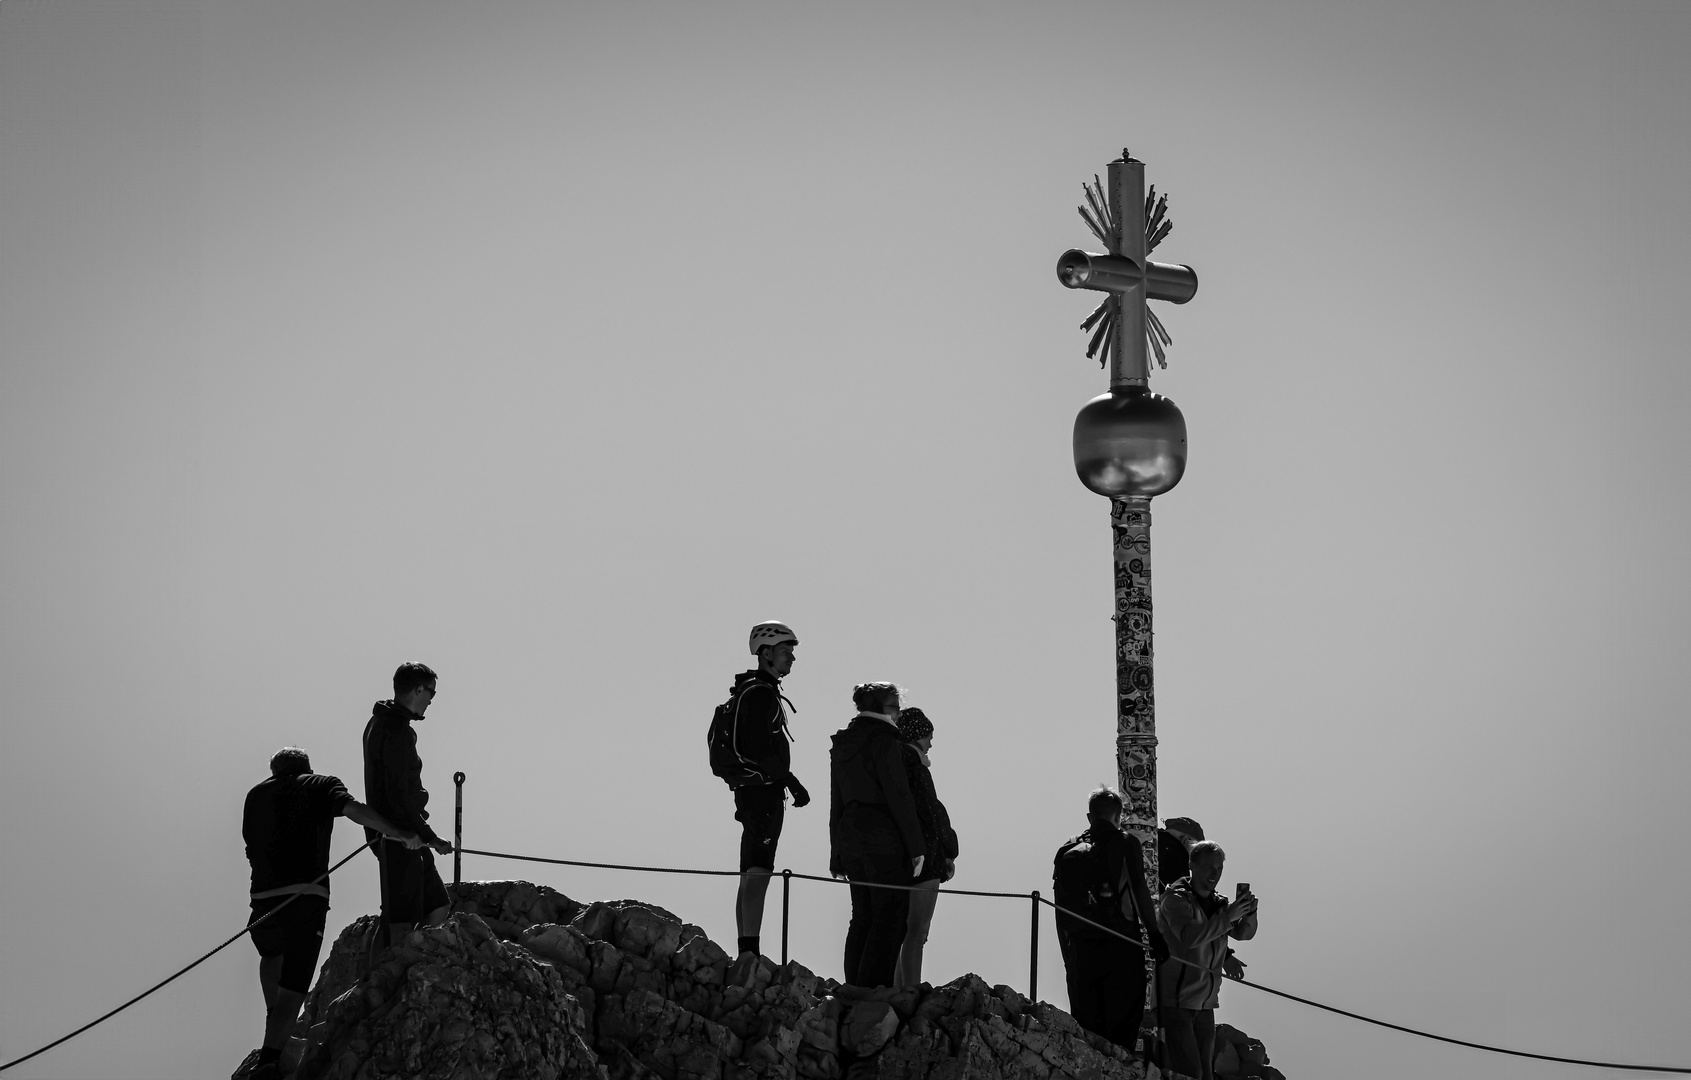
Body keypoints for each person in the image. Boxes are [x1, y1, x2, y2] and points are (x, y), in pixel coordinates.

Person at [242, 747, 420, 1080]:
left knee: (271, 955)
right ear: (305, 766)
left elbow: (251, 844)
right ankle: (269, 1060)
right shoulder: (320, 784)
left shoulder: (256, 795)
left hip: (263, 900)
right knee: (293, 987)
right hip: (304, 897)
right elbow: (354, 810)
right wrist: (399, 833)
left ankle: (275, 1024)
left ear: (274, 769)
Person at [1052, 787, 1169, 1053]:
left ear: (1089, 817)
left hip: (1082, 951)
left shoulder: (1067, 851)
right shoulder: (1126, 842)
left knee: (1088, 1026)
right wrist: (1154, 934)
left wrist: (1068, 959)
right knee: (1122, 1026)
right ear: (1119, 817)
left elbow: (1060, 911)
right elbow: (1139, 890)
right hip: (1122, 946)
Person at [723, 620, 811, 965]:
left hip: (751, 792)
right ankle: (750, 953)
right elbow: (760, 749)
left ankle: (747, 949)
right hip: (762, 794)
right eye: (786, 650)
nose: (791, 657)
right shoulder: (760, 693)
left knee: (751, 871)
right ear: (766, 652)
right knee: (759, 871)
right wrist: (791, 782)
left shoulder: (754, 691)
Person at [829, 681, 925, 988]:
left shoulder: (843, 743)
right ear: (884, 709)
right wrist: (916, 847)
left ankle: (854, 987)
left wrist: (836, 853)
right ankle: (875, 991)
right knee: (890, 917)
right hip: (883, 837)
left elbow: (837, 800)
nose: (898, 714)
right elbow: (899, 797)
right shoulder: (885, 741)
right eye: (896, 707)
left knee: (862, 917)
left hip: (850, 835)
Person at [362, 662, 454, 957]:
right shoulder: (395, 729)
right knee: (399, 920)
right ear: (418, 690)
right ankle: (377, 981)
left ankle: (410, 967)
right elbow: (398, 793)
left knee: (438, 904)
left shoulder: (381, 722)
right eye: (431, 693)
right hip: (398, 835)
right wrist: (428, 836)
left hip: (405, 835)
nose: (431, 700)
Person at [1157, 840, 1258, 1080]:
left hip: (1205, 1004)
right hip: (1176, 1001)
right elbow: (1189, 937)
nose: (1215, 874)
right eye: (1209, 867)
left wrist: (1250, 914)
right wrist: (1229, 917)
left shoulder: (1219, 903)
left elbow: (1244, 934)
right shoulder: (1175, 899)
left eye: (1219, 869)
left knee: (1205, 1075)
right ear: (1192, 865)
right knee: (1190, 1072)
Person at [892, 706, 958, 988]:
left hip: (898, 856)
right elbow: (931, 813)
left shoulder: (892, 765)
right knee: (917, 931)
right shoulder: (915, 766)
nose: (931, 743)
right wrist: (949, 850)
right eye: (929, 736)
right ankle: (910, 989)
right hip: (927, 857)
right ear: (918, 735)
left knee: (899, 931)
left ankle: (896, 986)